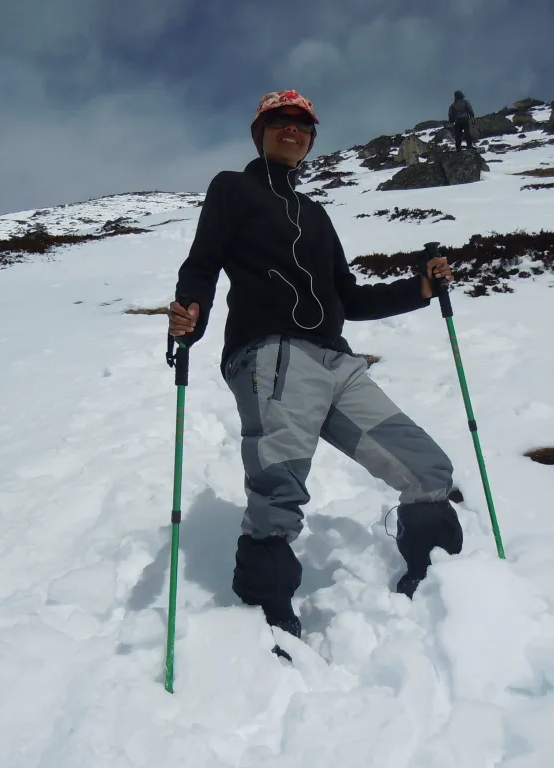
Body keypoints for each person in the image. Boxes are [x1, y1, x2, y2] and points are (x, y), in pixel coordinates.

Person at [169, 89, 464, 641]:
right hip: (273, 354)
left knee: (426, 470)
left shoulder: (316, 214)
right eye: (279, 122)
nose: (292, 130)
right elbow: (203, 262)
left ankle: (443, 590)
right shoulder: (232, 189)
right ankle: (265, 622)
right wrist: (190, 313)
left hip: (336, 362)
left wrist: (420, 288)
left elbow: (348, 298)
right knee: (279, 490)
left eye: (302, 125)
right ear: (259, 133)